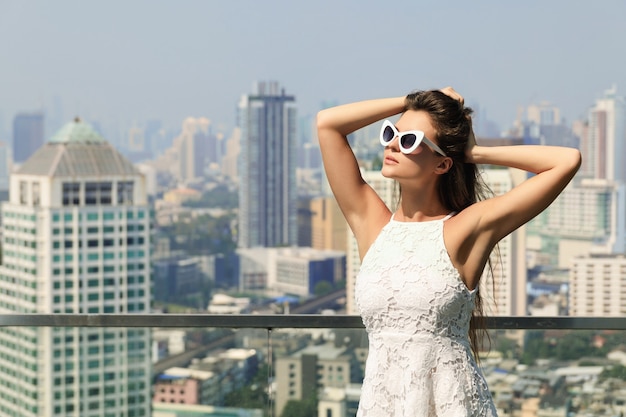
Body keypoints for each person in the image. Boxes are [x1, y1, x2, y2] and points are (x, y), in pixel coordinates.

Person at [316, 87, 581, 416]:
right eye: (391, 133)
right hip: (383, 405)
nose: (393, 144)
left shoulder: (466, 229)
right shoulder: (371, 224)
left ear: (442, 164)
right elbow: (328, 124)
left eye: (410, 140)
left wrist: (474, 153)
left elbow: (566, 161)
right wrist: (414, 100)